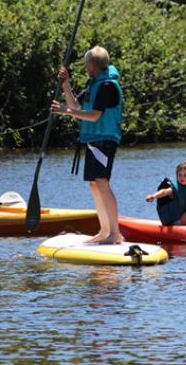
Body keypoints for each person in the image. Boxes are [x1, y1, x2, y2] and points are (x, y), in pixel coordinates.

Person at [51, 46, 124, 244]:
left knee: (102, 182)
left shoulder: (107, 86)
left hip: (105, 139)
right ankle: (105, 230)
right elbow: (76, 107)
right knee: (94, 185)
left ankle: (115, 233)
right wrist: (66, 85)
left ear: (92, 65)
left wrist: (66, 110)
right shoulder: (94, 85)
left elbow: (93, 115)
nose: (84, 68)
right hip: (93, 140)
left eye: (86, 64)